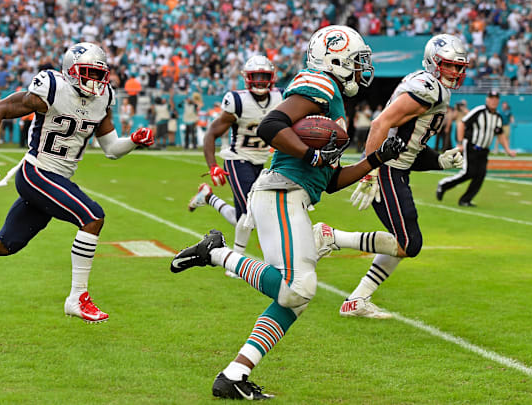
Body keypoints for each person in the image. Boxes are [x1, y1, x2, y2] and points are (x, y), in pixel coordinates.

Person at [171, 25, 404, 399]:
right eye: (357, 60)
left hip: (296, 196)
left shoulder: (336, 103)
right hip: (280, 191)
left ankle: (233, 375)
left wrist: (376, 159)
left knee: (295, 298)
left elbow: (329, 181)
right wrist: (311, 153)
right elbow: (271, 125)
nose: (363, 67)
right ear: (336, 59)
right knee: (299, 287)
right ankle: (215, 252)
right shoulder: (320, 84)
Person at [0, 43, 154, 324]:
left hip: (56, 179)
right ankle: (77, 297)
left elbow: (111, 149)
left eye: (98, 74)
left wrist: (133, 141)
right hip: (38, 173)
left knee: (6, 244)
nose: (95, 81)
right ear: (71, 71)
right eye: (88, 73)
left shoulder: (103, 97)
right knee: (92, 217)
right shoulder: (52, 88)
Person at [314, 34, 469, 319]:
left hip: (395, 168)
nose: (456, 73)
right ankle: (331, 237)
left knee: (403, 242)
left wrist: (438, 160)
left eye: (460, 67)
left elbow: (409, 147)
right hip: (387, 169)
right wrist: (370, 170)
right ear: (435, 62)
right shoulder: (427, 87)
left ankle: (357, 300)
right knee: (409, 243)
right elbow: (381, 123)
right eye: (450, 66)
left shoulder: (429, 86)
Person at [187, 55, 283, 275]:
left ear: (272, 78)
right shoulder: (238, 101)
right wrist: (213, 166)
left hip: (260, 160)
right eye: (255, 77)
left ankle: (208, 197)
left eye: (264, 77)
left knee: (245, 216)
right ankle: (236, 261)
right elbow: (211, 133)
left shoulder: (280, 98)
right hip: (237, 158)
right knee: (251, 212)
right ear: (247, 79)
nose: (259, 82)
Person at [437, 90, 516, 207]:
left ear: (498, 101)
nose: (493, 101)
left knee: (480, 174)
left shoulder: (498, 117)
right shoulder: (479, 111)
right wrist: (460, 142)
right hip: (471, 146)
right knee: (468, 172)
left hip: (484, 150)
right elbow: (461, 123)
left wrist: (507, 150)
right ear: (487, 99)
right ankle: (443, 184)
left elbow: (500, 134)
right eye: (491, 98)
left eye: (496, 99)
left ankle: (465, 200)